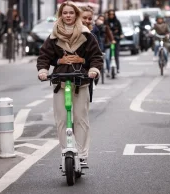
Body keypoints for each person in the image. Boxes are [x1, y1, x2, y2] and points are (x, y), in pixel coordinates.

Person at [37, 1, 103, 164]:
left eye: (71, 13)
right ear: (60, 15)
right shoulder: (53, 36)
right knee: (61, 118)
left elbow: (96, 57)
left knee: (80, 118)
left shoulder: (87, 35)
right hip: (60, 80)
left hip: (81, 80)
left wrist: (93, 69)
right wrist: (45, 70)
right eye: (65, 13)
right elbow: (44, 56)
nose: (68, 16)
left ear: (76, 15)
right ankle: (66, 151)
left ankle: (81, 154)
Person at [107, 9, 123, 74]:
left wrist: (121, 35)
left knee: (116, 54)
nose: (111, 15)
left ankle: (117, 68)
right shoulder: (106, 22)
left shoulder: (117, 22)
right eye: (110, 14)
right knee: (108, 56)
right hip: (108, 41)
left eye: (113, 14)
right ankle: (108, 69)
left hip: (116, 40)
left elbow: (120, 31)